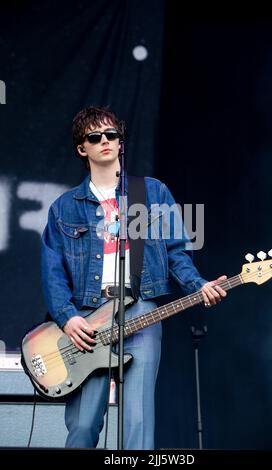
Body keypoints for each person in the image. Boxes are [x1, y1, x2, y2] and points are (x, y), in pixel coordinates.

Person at [41, 105, 227, 450]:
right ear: (83, 148)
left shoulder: (152, 193)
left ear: (121, 141)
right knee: (82, 426)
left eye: (112, 134)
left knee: (138, 424)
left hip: (141, 310)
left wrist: (198, 285)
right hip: (88, 318)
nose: (105, 141)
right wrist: (67, 319)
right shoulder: (64, 208)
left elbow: (176, 251)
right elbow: (53, 272)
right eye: (95, 137)